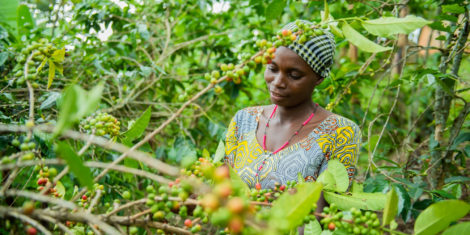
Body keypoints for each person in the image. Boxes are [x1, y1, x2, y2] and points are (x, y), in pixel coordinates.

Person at [224, 21, 361, 193]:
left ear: (319, 78)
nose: (278, 82)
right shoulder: (244, 120)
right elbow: (221, 190)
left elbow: (325, 214)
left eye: (294, 75)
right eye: (272, 69)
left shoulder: (340, 132)